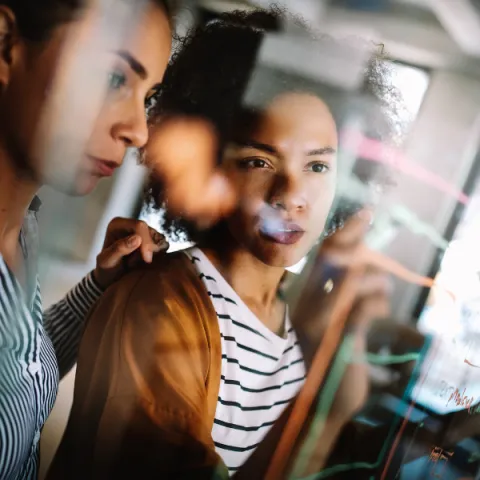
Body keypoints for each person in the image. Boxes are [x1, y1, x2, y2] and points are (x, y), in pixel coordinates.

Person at [48, 9, 391, 479]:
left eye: (317, 167)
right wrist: (323, 412)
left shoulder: (300, 317)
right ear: (210, 168)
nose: (291, 197)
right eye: (258, 162)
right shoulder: (163, 306)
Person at [0, 1, 175, 479]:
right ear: (6, 46)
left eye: (148, 96)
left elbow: (20, 373)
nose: (138, 131)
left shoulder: (24, 230)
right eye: (113, 78)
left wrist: (98, 287)